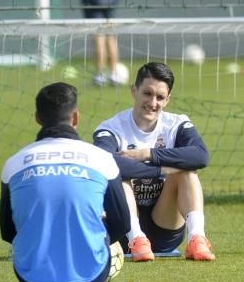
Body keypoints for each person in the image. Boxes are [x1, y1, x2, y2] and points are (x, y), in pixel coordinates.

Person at [0, 82, 131, 282]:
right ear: (76, 117)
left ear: (37, 118)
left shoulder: (13, 163)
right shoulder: (102, 159)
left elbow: (7, 230)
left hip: (30, 278)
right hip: (92, 277)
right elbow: (122, 224)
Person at [92, 62, 215, 262]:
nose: (153, 102)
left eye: (160, 97)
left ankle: (197, 239)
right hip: (124, 233)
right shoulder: (112, 128)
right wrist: (162, 170)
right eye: (147, 94)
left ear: (168, 99)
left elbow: (201, 156)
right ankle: (138, 240)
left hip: (165, 229)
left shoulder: (176, 124)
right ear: (134, 91)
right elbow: (102, 161)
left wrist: (149, 154)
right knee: (118, 177)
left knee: (187, 172)